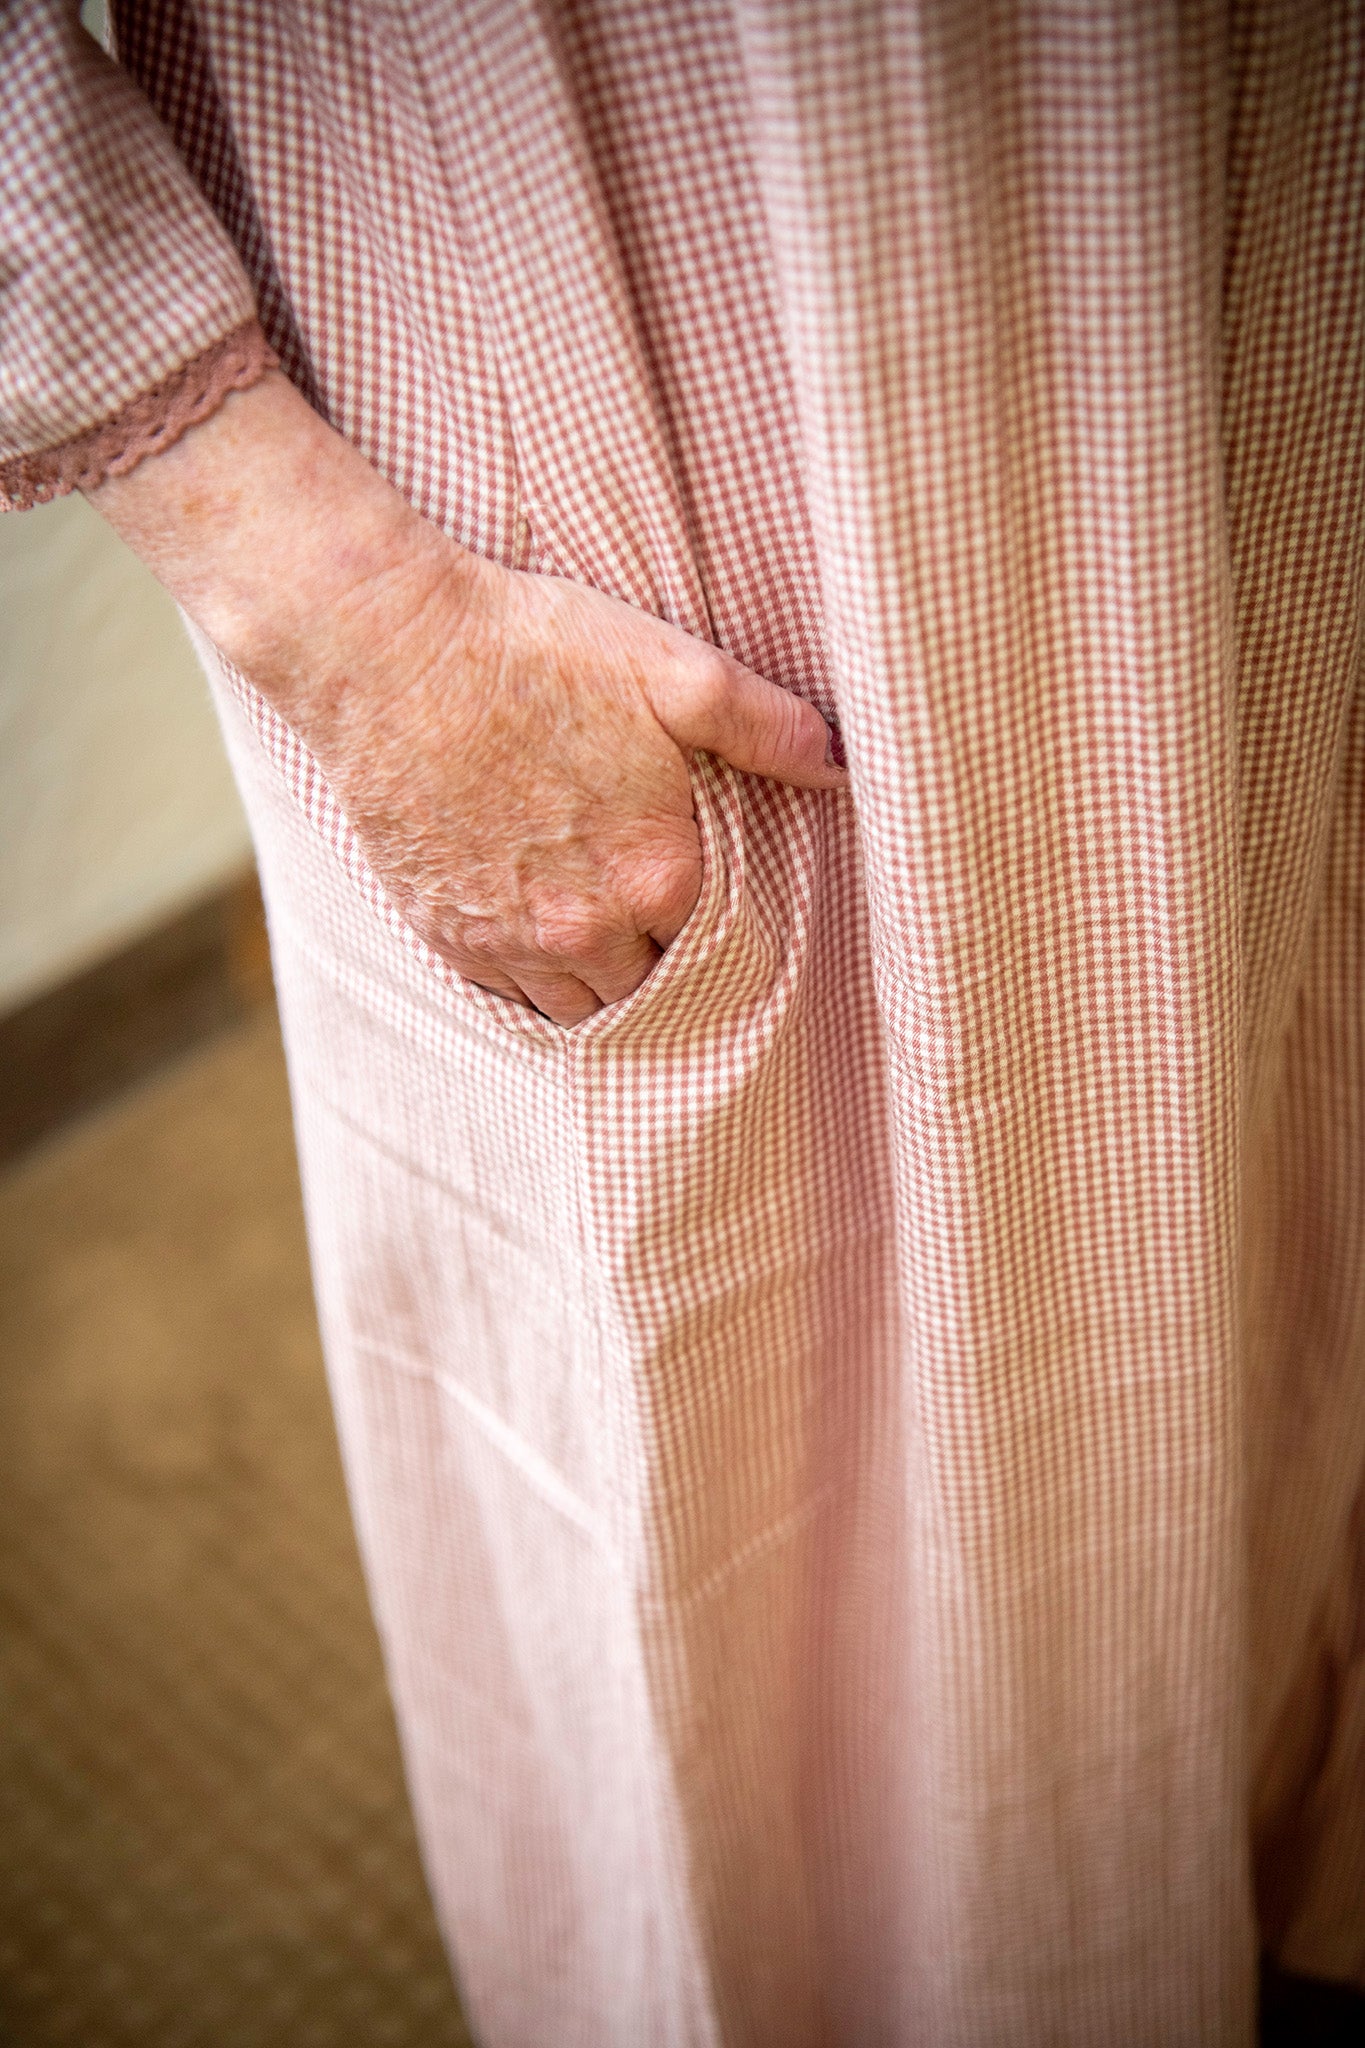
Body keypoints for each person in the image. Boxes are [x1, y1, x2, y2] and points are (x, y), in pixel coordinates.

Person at [3, 5, 1363, 2043]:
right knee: (764, 1508)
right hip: (626, 467)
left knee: (1257, 1268)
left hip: (1234, 301)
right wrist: (349, 617)